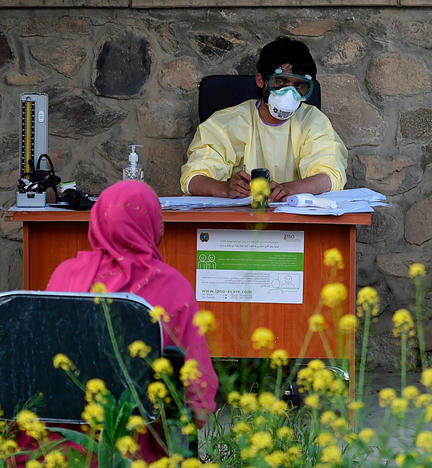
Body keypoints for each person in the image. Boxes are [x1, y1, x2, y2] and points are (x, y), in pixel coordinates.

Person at [16, 181, 218, 463]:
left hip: (58, 448)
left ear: (97, 219)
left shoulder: (65, 275)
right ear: (154, 224)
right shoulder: (174, 287)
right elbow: (198, 396)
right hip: (139, 451)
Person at [181, 36, 348, 201]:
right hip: (237, 221)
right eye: (280, 82)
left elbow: (330, 177)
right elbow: (192, 179)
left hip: (296, 220)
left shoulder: (313, 122)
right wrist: (225, 189)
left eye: (299, 85)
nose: (289, 93)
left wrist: (287, 190)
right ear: (261, 80)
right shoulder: (225, 123)